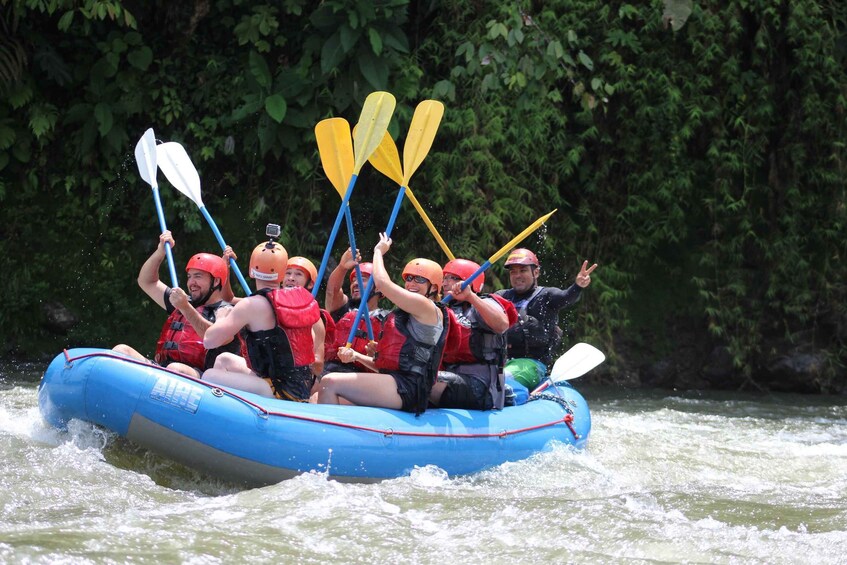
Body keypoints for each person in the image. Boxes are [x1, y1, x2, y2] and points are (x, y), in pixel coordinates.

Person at [314, 233, 448, 414]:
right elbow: (382, 366)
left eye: (420, 280)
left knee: (329, 383)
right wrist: (358, 355)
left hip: (410, 387)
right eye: (408, 278)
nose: (412, 283)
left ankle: (328, 437)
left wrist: (378, 251)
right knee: (325, 384)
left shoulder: (426, 307)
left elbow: (383, 283)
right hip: (395, 381)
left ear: (434, 288)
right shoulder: (403, 314)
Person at [202, 239, 322, 401]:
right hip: (296, 387)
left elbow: (209, 341)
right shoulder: (300, 302)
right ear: (281, 273)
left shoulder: (250, 305)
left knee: (209, 375)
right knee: (224, 359)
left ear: (252, 271)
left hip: (279, 391)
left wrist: (222, 317)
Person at [112, 230, 239, 378]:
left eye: (198, 276)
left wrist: (185, 307)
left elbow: (215, 336)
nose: (192, 283)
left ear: (216, 281)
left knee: (175, 368)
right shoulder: (181, 301)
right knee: (121, 350)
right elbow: (146, 281)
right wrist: (160, 252)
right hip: (162, 368)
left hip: (199, 377)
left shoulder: (226, 310)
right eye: (189, 276)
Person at [495, 248, 597, 392]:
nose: (517, 275)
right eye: (513, 271)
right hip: (501, 362)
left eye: (523, 270)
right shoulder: (501, 297)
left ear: (535, 272)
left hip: (532, 364)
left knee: (499, 379)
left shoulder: (547, 296)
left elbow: (566, 297)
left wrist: (577, 286)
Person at [430, 259, 518, 411]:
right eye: (445, 278)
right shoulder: (443, 309)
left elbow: (502, 325)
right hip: (451, 376)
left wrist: (471, 297)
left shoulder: (483, 303)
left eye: (453, 278)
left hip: (481, 386)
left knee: (422, 380)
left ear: (471, 283)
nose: (445, 283)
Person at [323, 247, 390, 374]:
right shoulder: (343, 308)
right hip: (330, 369)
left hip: (362, 377)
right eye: (353, 280)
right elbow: (332, 291)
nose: (355, 283)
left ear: (378, 288)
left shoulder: (388, 321)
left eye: (362, 279)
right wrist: (342, 267)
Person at [284, 256, 335, 379]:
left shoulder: (315, 318)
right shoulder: (269, 303)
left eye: (298, 274)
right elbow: (231, 299)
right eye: (288, 273)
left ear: (311, 283)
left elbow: (318, 366)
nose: (291, 278)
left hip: (294, 379)